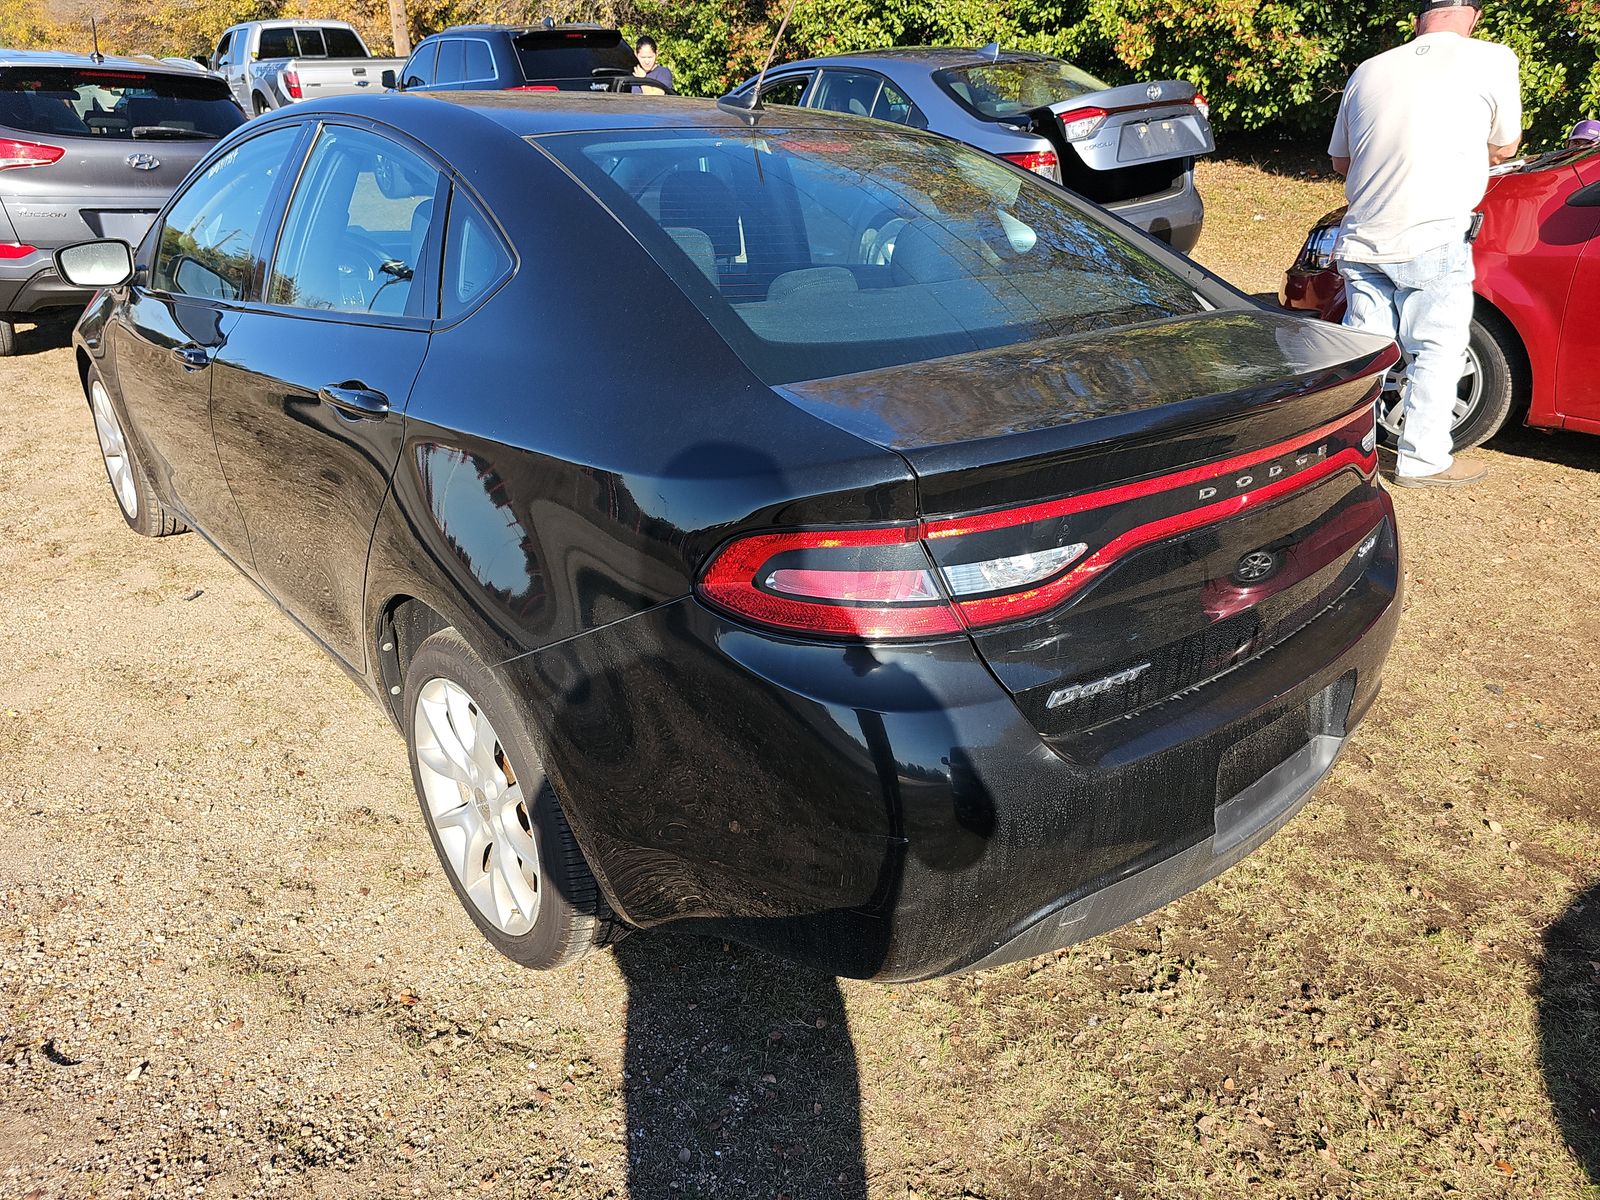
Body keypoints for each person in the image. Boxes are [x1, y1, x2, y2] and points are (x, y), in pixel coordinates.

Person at [1328, 0, 1521, 488]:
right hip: (1432, 232)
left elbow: (1340, 162)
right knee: (1437, 348)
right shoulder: (1493, 59)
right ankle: (1422, 460)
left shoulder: (1369, 70)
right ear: (1472, 16)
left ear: (1419, 19)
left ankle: (1349, 454)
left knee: (1365, 354)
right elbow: (1506, 146)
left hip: (1363, 237)